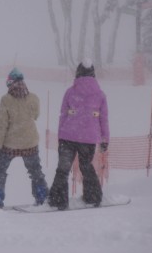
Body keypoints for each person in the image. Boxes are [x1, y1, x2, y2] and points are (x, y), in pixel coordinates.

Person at [47, 59, 109, 210]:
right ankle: (93, 197)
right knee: (86, 166)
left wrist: (61, 134)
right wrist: (105, 139)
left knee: (63, 168)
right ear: (93, 74)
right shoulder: (100, 95)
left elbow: (63, 114)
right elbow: (103, 119)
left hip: (68, 135)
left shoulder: (70, 91)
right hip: (88, 138)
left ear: (78, 73)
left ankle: (58, 200)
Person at [0, 67, 49, 208]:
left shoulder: (6, 100)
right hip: (30, 143)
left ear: (10, 83)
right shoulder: (34, 98)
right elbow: (36, 116)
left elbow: (2, 125)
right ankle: (42, 196)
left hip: (10, 145)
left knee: (0, 172)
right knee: (35, 171)